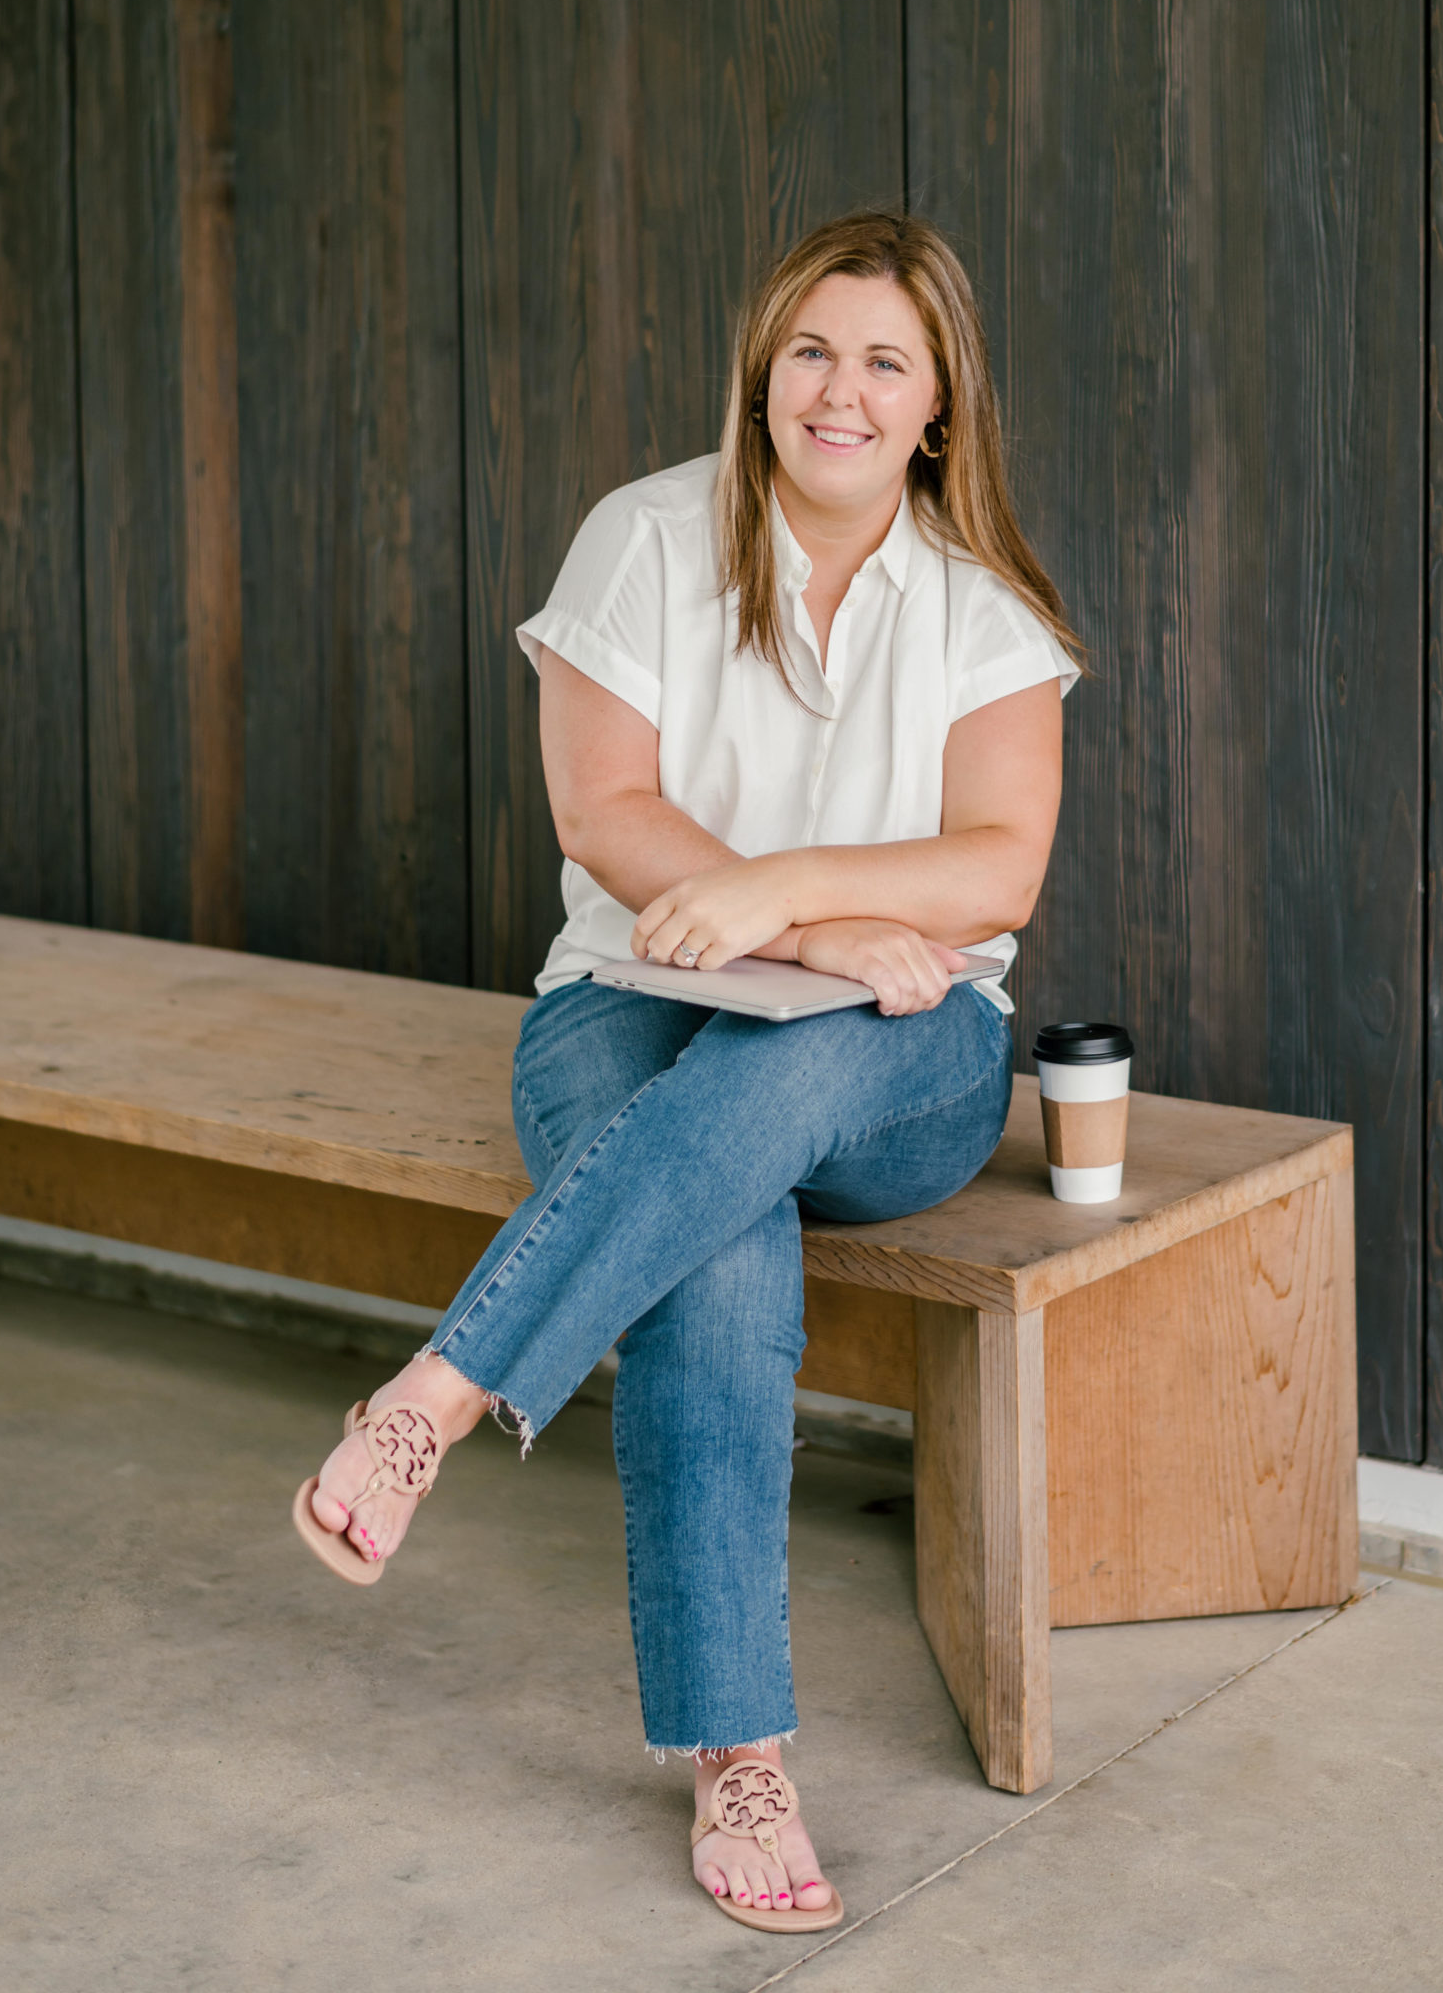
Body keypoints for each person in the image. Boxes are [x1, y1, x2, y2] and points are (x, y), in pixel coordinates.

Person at [291, 210, 1082, 1935]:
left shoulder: (985, 609)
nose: (841, 390)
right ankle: (741, 1754)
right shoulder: (643, 539)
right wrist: (799, 936)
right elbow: (609, 816)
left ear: (938, 404)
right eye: (812, 349)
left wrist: (795, 905)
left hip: (905, 1058)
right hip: (630, 1005)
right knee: (718, 1232)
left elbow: (996, 873)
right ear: (762, 366)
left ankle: (437, 1388)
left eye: (885, 360)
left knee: (777, 1096)